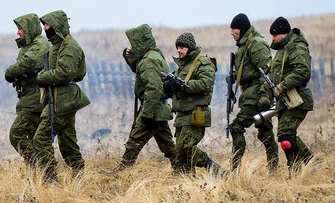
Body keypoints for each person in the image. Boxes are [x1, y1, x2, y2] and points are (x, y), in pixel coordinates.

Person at [26, 10, 90, 180]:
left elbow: (65, 73)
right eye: (44, 25)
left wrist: (42, 77)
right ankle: (79, 175)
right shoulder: (58, 45)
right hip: (60, 98)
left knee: (41, 139)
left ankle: (50, 177)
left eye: (48, 25)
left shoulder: (69, 46)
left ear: (57, 26)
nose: (45, 28)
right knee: (67, 140)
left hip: (63, 99)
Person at [109, 23, 176, 172]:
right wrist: (130, 55)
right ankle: (183, 170)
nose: (131, 45)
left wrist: (147, 114)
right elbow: (140, 71)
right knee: (168, 145)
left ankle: (122, 171)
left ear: (140, 42)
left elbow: (153, 88)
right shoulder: (153, 55)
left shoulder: (149, 60)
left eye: (133, 43)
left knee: (135, 141)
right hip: (158, 108)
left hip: (152, 108)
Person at [165, 32, 224, 175]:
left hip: (196, 114)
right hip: (181, 116)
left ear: (190, 47)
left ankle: (212, 167)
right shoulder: (181, 66)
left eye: (182, 47)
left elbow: (206, 84)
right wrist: (168, 87)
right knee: (180, 155)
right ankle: (186, 181)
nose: (178, 50)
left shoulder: (203, 63)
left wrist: (182, 85)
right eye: (177, 47)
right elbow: (174, 87)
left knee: (185, 148)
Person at [227, 13, 278, 170]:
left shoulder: (256, 44)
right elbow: (248, 69)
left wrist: (264, 95)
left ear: (241, 29)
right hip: (250, 92)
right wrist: (234, 77)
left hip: (256, 93)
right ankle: (274, 168)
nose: (231, 32)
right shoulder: (244, 45)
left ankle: (235, 169)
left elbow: (268, 71)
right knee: (264, 131)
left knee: (236, 127)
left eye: (234, 29)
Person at [265, 16, 314, 170]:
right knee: (286, 139)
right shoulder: (282, 49)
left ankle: (311, 161)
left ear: (285, 34)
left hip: (298, 99)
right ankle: (295, 171)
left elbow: (303, 72)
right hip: (285, 100)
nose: (272, 38)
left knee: (286, 136)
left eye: (275, 35)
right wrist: (267, 86)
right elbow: (278, 72)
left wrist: (282, 86)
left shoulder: (297, 47)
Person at [4, 13, 51, 162]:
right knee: (34, 139)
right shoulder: (31, 45)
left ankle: (37, 164)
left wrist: (10, 72)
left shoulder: (40, 45)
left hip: (34, 98)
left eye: (20, 29)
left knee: (16, 134)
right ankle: (42, 173)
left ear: (29, 28)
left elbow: (25, 65)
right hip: (29, 97)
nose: (18, 32)